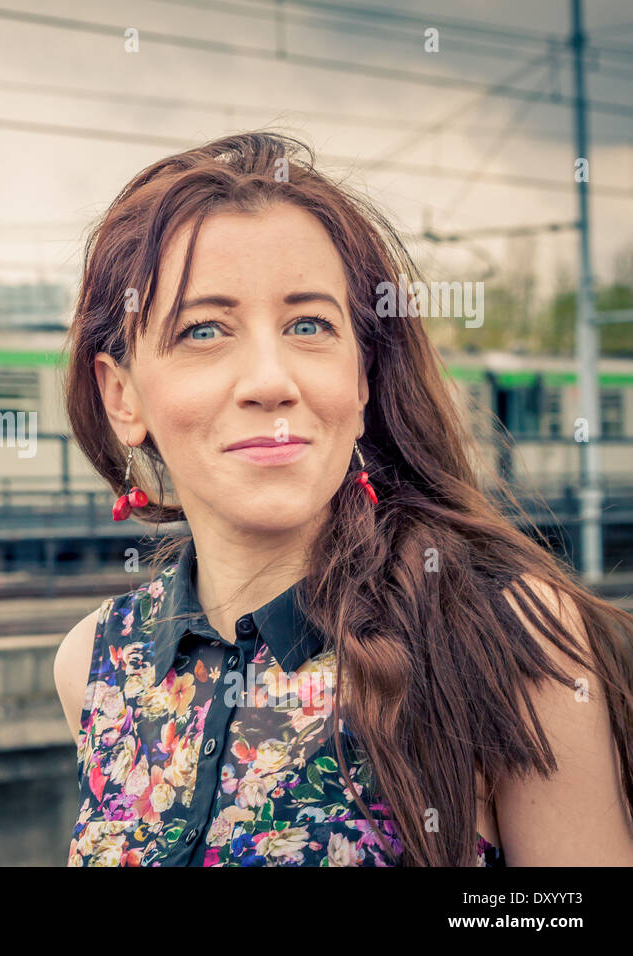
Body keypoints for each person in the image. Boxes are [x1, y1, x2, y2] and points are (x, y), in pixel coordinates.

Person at [54, 131, 633, 866]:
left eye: (309, 326)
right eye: (204, 330)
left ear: (360, 383)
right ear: (122, 396)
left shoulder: (501, 635)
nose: (271, 379)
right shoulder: (95, 665)